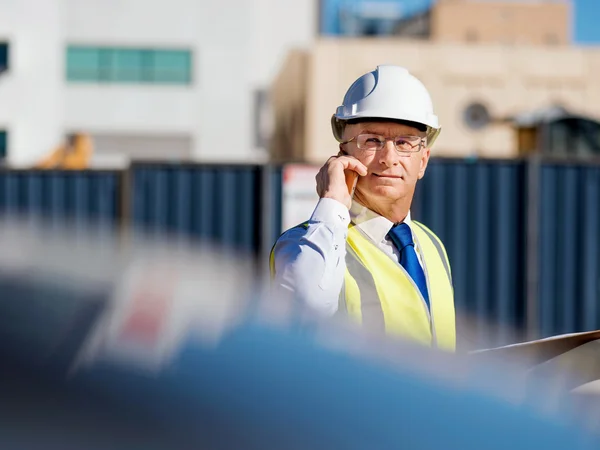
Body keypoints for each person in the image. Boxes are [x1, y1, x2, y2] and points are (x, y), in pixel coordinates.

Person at [270, 65, 455, 351]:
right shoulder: (303, 244)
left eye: (405, 143)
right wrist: (333, 200)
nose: (389, 158)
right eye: (372, 140)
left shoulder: (433, 246)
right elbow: (300, 316)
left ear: (423, 160)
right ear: (343, 153)